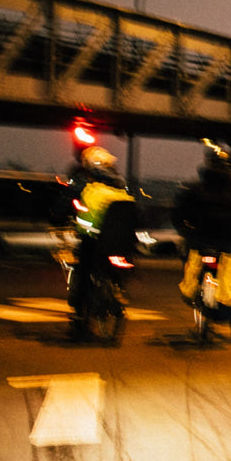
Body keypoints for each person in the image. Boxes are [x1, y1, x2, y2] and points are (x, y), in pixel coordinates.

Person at [172, 144, 231, 335]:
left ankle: (194, 298)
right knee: (228, 281)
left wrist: (184, 227)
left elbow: (180, 210)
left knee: (191, 266)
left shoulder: (196, 187)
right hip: (226, 240)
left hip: (200, 239)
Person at [60, 145, 137, 339]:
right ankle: (118, 292)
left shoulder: (91, 190)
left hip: (96, 243)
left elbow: (84, 221)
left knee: (83, 273)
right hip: (122, 244)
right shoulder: (123, 190)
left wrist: (78, 228)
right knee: (117, 270)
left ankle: (79, 318)